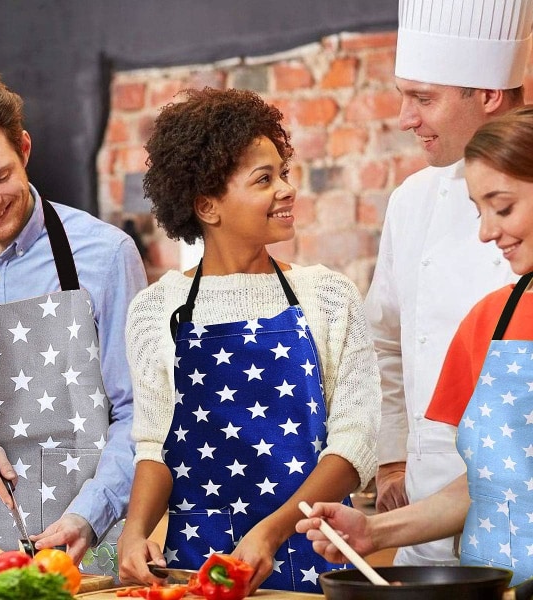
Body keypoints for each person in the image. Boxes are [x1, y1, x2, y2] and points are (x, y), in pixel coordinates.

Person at [116, 87, 381, 593]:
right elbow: (154, 444)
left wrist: (273, 530)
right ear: (208, 206)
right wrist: (134, 532)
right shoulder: (155, 309)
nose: (287, 189)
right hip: (199, 562)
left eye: (284, 173)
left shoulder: (326, 295)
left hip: (313, 548)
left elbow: (356, 444)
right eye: (265, 179)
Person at [297, 105, 533, 586]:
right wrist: (374, 532)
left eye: (503, 207)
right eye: (478, 210)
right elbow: (489, 485)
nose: (487, 232)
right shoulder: (490, 318)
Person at [0, 70, 147, 574]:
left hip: (87, 540)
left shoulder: (107, 254)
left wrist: (91, 514)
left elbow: (141, 411)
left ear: (24, 150)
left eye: (0, 177)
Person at [366, 0, 532, 566]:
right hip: (432, 507)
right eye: (480, 209)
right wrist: (392, 462)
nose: (489, 233)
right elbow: (384, 339)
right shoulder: (413, 202)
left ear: (487, 94)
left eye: (424, 97)